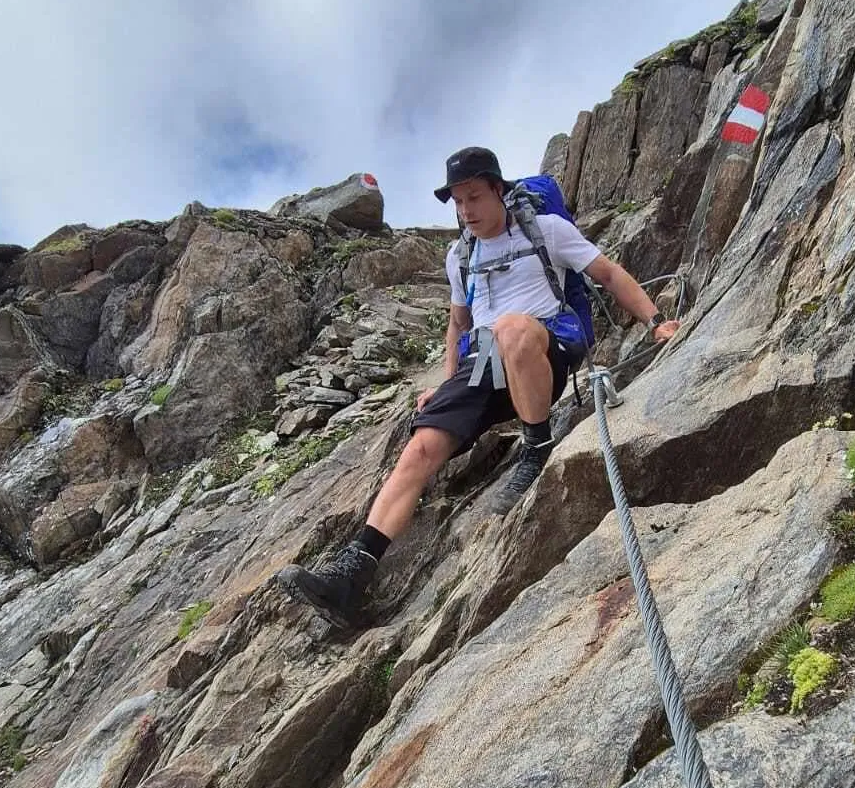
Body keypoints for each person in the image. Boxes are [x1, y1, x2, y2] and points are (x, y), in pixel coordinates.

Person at [277, 145, 679, 623]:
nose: (465, 210)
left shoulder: (546, 230)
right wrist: (447, 388)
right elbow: (458, 325)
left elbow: (609, 274)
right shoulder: (460, 255)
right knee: (421, 447)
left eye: (473, 197)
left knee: (511, 327)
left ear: (498, 190)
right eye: (457, 202)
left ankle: (537, 445)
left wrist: (656, 320)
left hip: (543, 347)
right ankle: (353, 575)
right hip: (485, 362)